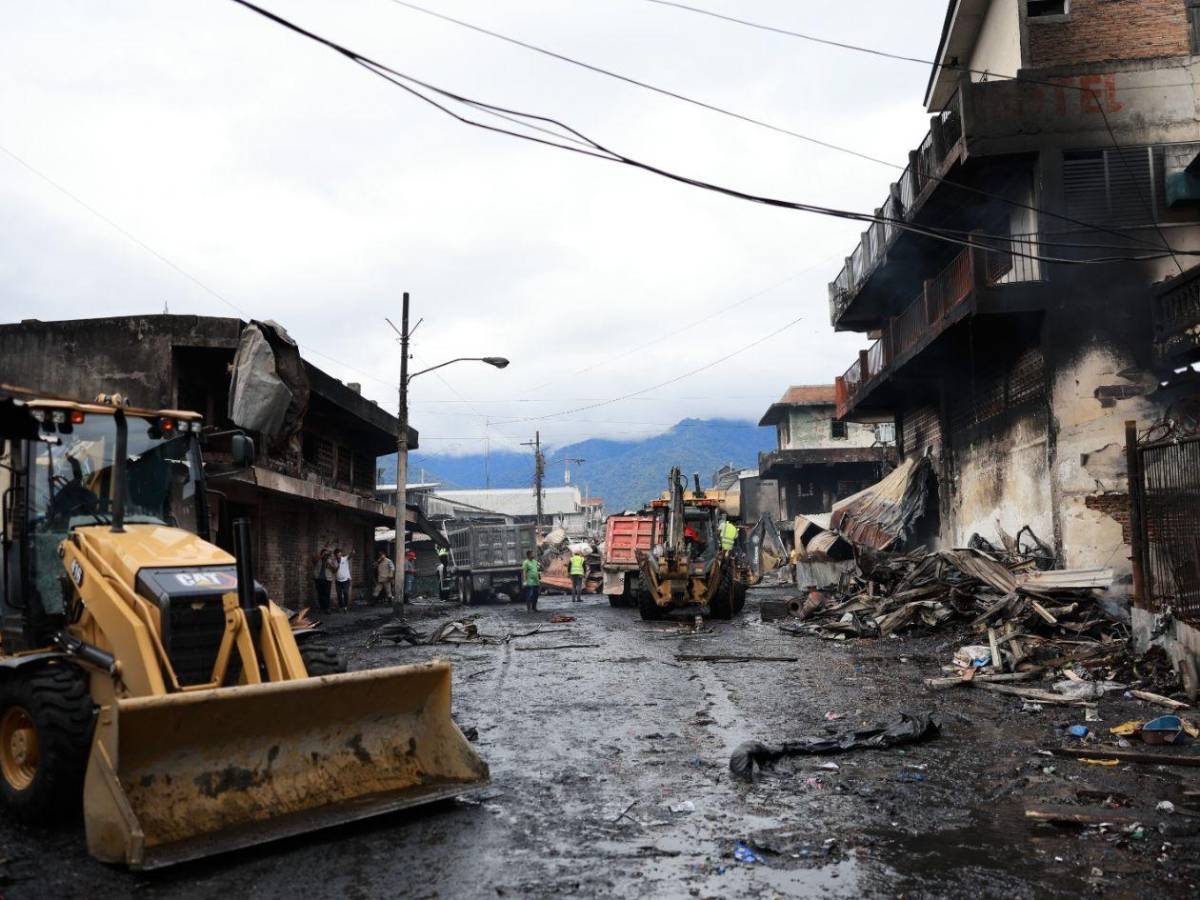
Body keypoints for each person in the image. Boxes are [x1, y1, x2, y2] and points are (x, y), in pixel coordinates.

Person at [313, 547, 332, 613]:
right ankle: (322, 608)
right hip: (319, 579)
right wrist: (321, 556)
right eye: (324, 554)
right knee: (320, 594)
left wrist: (329, 561)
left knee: (327, 594)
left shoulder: (329, 560)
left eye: (326, 554)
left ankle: (327, 608)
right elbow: (314, 561)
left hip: (328, 579)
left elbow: (334, 568)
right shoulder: (318, 560)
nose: (325, 555)